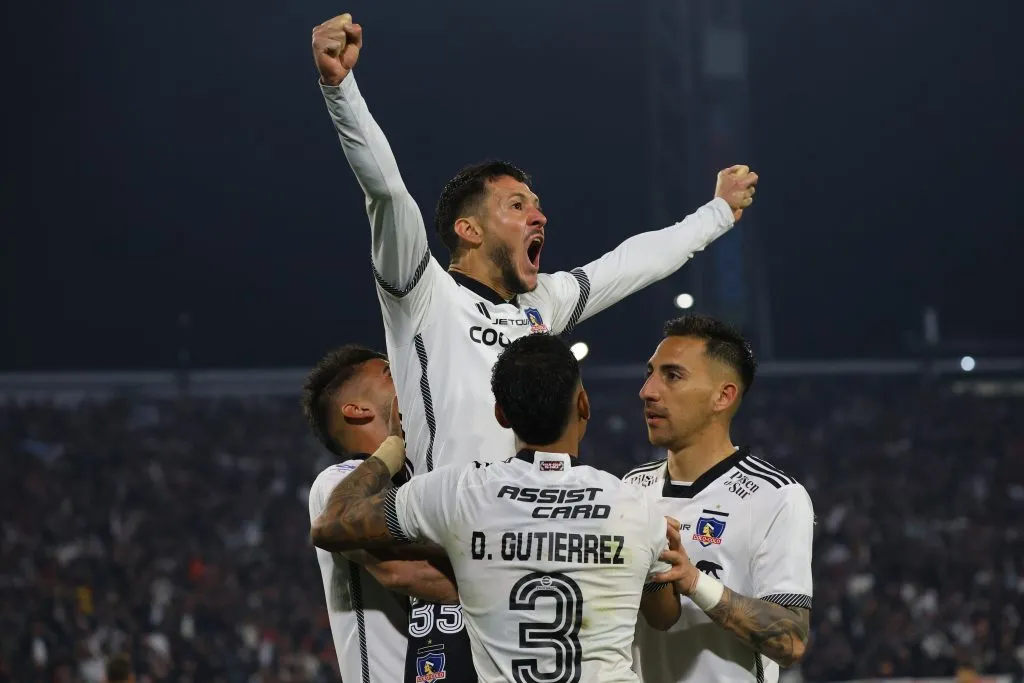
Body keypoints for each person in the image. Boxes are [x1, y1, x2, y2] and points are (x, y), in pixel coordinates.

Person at [310, 14, 757, 678]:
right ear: (466, 227)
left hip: (540, 549)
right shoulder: (422, 292)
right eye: (517, 205)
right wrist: (340, 91)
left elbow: (628, 263)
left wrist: (715, 213)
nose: (538, 215)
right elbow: (385, 191)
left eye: (538, 204)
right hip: (456, 561)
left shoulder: (542, 302)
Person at [310, 334, 690, 683]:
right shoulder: (635, 504)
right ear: (584, 404)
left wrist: (497, 558)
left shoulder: (459, 491)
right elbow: (663, 615)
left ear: (501, 416)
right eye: (391, 371)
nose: (409, 370)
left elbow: (341, 526)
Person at [623, 315, 814, 683]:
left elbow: (790, 641)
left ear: (723, 396)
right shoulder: (629, 489)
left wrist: (695, 582)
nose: (648, 391)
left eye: (672, 375)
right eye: (650, 373)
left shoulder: (775, 497)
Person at [303, 345, 461, 683]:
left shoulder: (423, 482)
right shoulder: (337, 486)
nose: (405, 374)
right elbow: (407, 574)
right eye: (389, 372)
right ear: (357, 409)